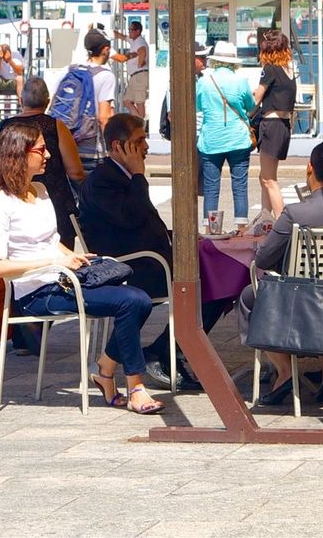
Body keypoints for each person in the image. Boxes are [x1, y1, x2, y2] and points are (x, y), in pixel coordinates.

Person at [0, 121, 161, 415]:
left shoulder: (39, 191)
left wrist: (74, 256)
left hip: (64, 278)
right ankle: (134, 387)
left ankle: (105, 370)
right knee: (131, 301)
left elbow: (51, 240)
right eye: (41, 149)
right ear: (19, 154)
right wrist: (55, 262)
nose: (48, 155)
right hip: (38, 293)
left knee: (138, 298)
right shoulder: (1, 203)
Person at [79, 114, 193, 391]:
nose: (145, 147)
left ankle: (166, 348)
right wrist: (139, 176)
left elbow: (147, 223)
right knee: (200, 285)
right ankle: (163, 351)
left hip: (150, 259)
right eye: (139, 141)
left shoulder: (124, 176)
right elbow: (129, 217)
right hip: (131, 267)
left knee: (214, 278)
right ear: (119, 146)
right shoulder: (104, 180)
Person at [237, 143, 323, 406]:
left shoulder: (296, 213)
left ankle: (284, 371)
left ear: (310, 168)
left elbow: (263, 258)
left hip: (299, 300)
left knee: (249, 297)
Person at [0, 76, 83, 249]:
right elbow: (75, 172)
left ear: (21, 100)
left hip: (14, 201)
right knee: (62, 260)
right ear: (48, 102)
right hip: (55, 203)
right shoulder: (56, 126)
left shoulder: (6, 126)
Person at [194, 42, 256, 228]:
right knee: (239, 185)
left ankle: (212, 229)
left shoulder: (204, 81)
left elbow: (198, 105)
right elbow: (250, 106)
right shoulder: (240, 81)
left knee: (211, 186)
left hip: (211, 138)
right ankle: (241, 229)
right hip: (237, 138)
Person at [253, 29, 298, 217]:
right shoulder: (289, 70)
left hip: (270, 125)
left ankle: (280, 221)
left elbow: (257, 98)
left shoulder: (270, 69)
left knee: (269, 179)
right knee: (265, 176)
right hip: (284, 125)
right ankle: (265, 217)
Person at [57, 33, 117, 171]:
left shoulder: (70, 70)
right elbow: (104, 117)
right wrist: (112, 150)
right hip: (92, 150)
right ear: (105, 49)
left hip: (67, 147)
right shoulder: (106, 76)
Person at [113, 21, 149, 118]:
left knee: (139, 102)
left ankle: (140, 125)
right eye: (129, 30)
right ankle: (139, 122)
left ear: (138, 31)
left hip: (139, 75)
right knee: (126, 101)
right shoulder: (134, 41)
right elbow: (122, 36)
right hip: (134, 76)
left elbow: (142, 51)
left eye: (131, 30)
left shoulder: (140, 42)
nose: (129, 32)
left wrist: (140, 63)